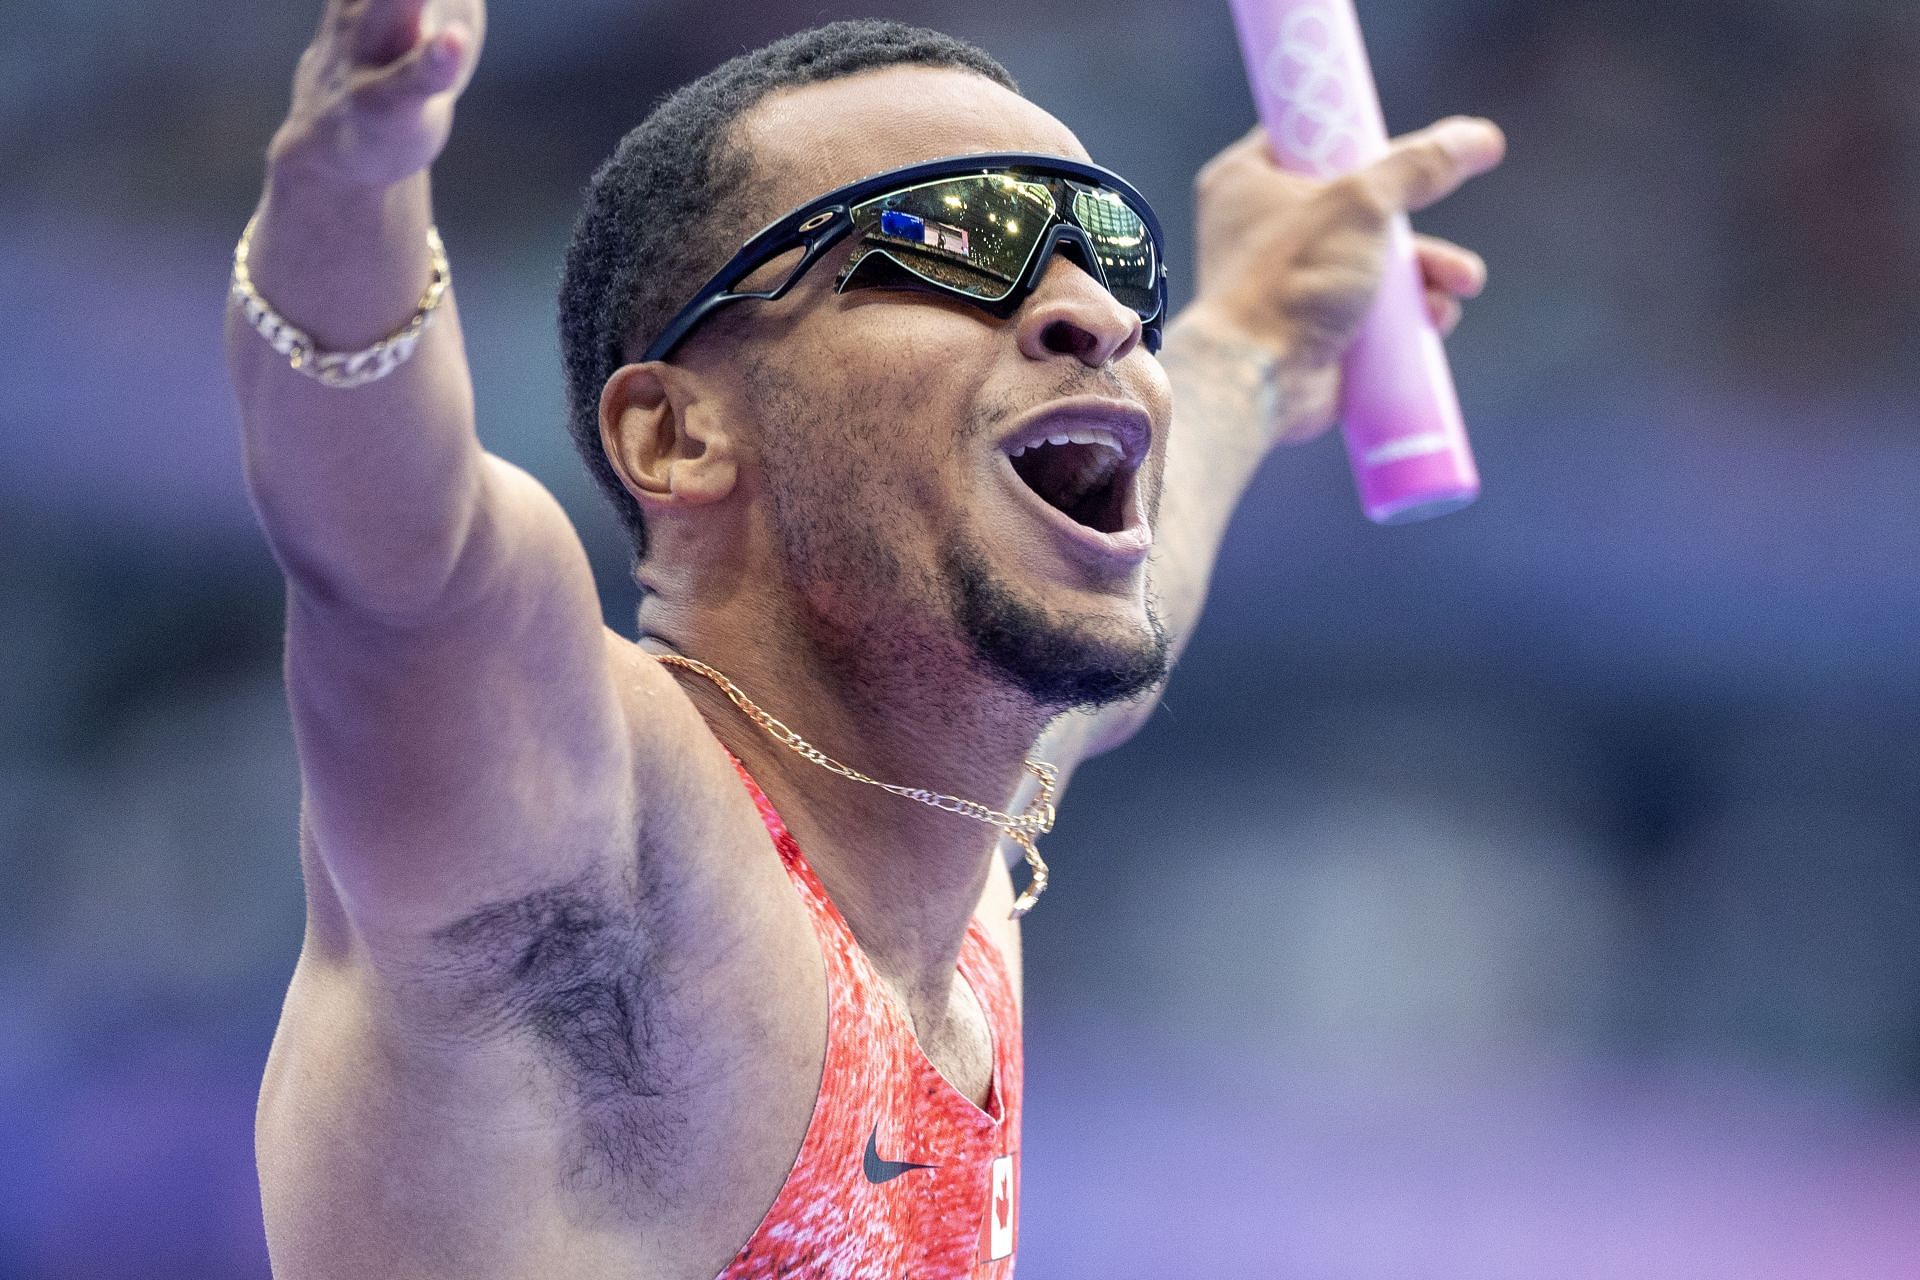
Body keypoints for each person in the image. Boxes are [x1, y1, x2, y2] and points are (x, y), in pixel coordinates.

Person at [224, 1, 1505, 1275]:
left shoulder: (957, 845)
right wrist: (350, 175)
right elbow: (400, 558)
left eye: (1112, 260)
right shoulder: (600, 851)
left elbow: (1096, 649)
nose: (1093, 316)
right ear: (674, 435)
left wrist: (1255, 347)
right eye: (952, 240)